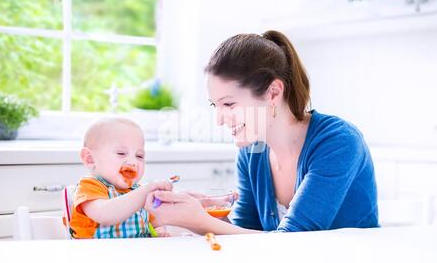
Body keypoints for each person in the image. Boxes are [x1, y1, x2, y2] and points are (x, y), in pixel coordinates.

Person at [145, 30, 379, 235]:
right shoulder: (252, 152)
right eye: (215, 106)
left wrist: (199, 222)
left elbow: (296, 242)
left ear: (273, 92)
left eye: (228, 104)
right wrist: (209, 212)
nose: (218, 120)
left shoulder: (338, 142)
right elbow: (249, 236)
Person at [68, 116, 172, 239]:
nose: (133, 162)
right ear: (90, 159)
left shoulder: (138, 191)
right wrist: (144, 192)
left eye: (139, 156)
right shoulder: (89, 187)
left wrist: (159, 230)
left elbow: (154, 222)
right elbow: (105, 215)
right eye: (121, 153)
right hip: (98, 255)